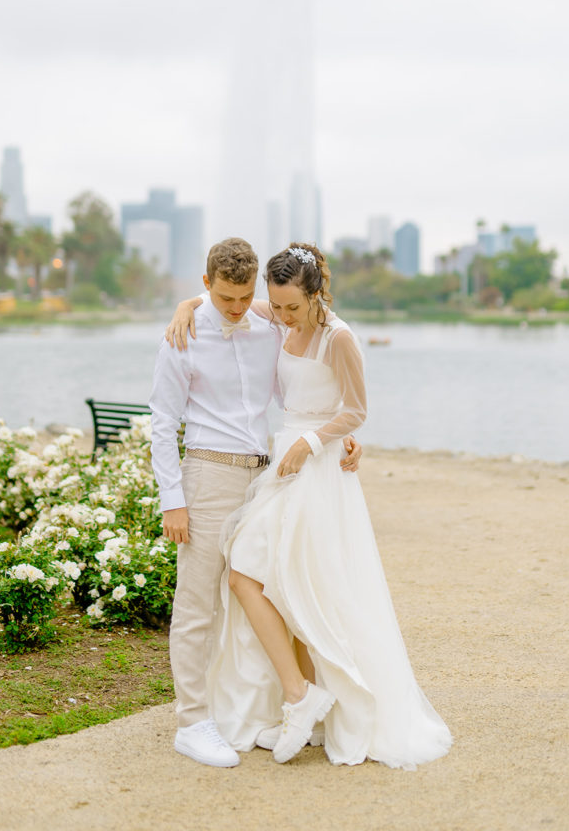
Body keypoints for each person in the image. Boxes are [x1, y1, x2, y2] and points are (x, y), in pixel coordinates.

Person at [172, 242, 452, 768]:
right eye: (275, 307)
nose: (279, 317)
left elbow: (357, 409)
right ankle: (301, 697)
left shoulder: (339, 337)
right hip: (283, 462)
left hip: (312, 468)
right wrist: (187, 305)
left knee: (271, 578)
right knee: (269, 580)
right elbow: (222, 303)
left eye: (290, 308)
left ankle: (306, 700)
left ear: (315, 293)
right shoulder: (277, 317)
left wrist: (316, 441)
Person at [149, 237, 362, 768]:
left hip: (262, 475)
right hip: (206, 474)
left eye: (246, 297)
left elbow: (295, 394)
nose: (238, 308)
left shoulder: (270, 325)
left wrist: (335, 437)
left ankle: (271, 705)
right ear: (205, 287)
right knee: (196, 605)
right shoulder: (185, 333)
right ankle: (192, 723)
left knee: (268, 589)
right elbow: (161, 425)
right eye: (225, 298)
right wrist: (172, 501)